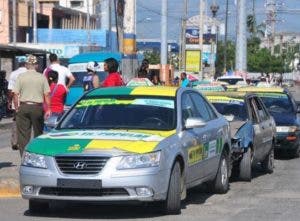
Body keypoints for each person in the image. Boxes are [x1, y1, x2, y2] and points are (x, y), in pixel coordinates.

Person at [13, 55, 51, 156]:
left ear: (26, 65)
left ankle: (24, 157)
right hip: (37, 107)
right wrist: (49, 109)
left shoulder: (21, 77)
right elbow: (46, 94)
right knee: (38, 133)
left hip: (24, 106)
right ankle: (37, 155)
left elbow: (15, 94)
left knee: (23, 135)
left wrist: (17, 108)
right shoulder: (42, 77)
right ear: (37, 65)